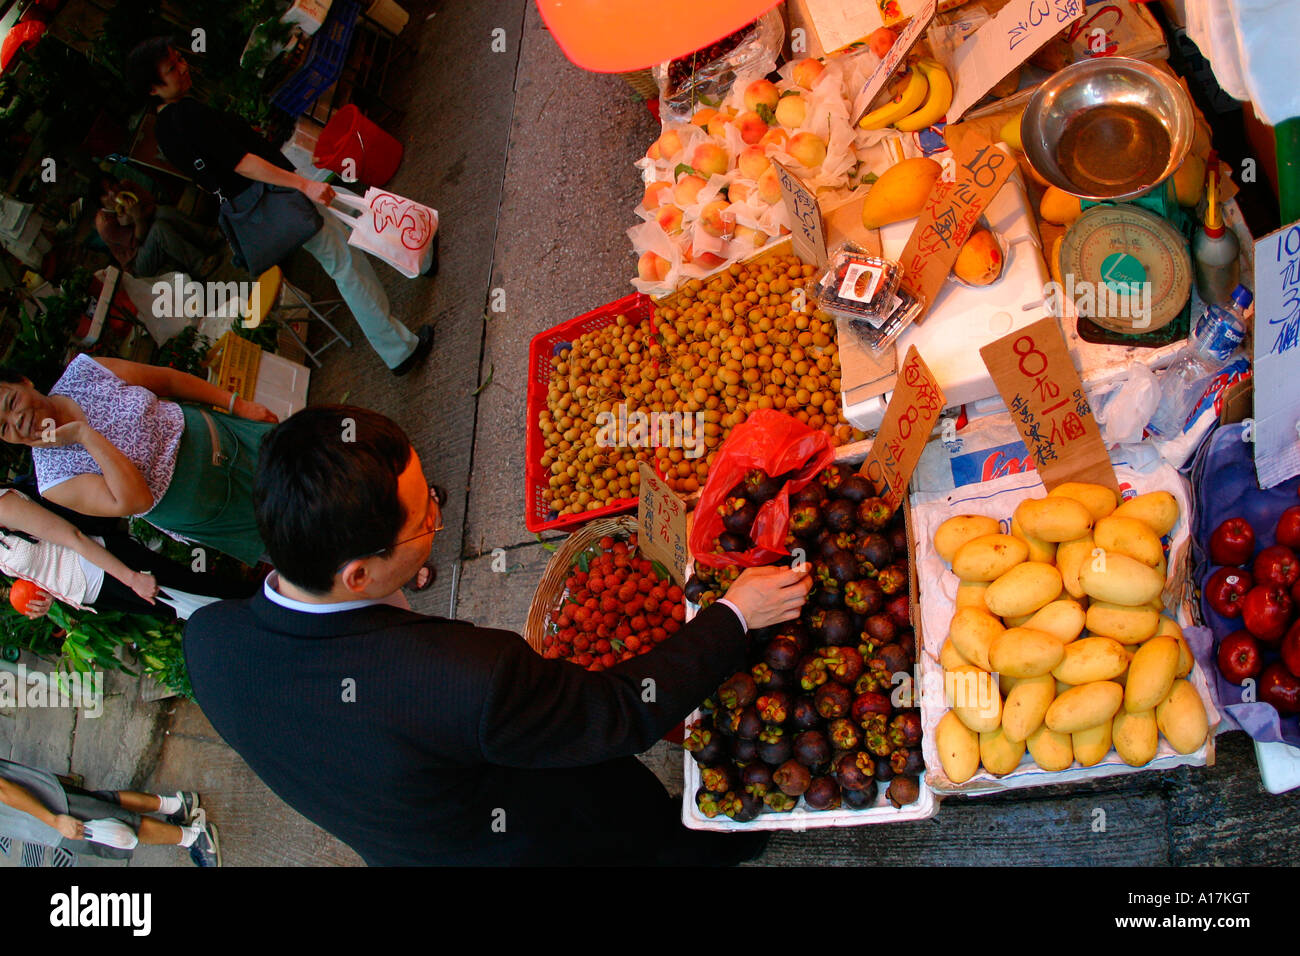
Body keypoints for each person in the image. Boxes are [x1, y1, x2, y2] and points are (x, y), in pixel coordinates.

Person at [184, 406, 812, 866]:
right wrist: (732, 616)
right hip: (548, 841)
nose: (436, 512)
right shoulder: (461, 678)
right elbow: (614, 712)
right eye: (424, 513)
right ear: (357, 574)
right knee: (657, 849)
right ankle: (725, 845)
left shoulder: (208, 643)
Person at [125, 38, 435, 378]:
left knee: (349, 232)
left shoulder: (165, 132)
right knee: (344, 264)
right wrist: (304, 184)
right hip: (277, 194)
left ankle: (419, 257)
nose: (183, 68)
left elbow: (208, 179)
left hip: (267, 206)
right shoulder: (188, 114)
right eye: (171, 69)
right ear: (153, 89)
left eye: (179, 59)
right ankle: (399, 348)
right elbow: (241, 163)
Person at [0, 354, 278, 567]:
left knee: (315, 461)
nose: (18, 421)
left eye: (11, 402)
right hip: (212, 510)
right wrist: (84, 435)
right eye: (2, 428)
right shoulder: (53, 479)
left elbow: (168, 381)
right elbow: (135, 501)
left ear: (24, 382)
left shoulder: (84, 372)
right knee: (300, 539)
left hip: (233, 439)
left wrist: (236, 404)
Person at [0, 483, 256, 621]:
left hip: (106, 567)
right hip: (93, 590)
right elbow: (44, 560)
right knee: (193, 610)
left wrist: (131, 578)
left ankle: (281, 605)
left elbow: (72, 536)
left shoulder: (3, 506)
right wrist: (46, 598)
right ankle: (273, 618)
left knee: (203, 595)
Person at [0, 758, 219, 865]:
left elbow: (3, 790)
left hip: (42, 810)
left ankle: (196, 839)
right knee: (105, 804)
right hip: (36, 801)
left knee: (117, 828)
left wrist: (53, 820)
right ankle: (179, 805)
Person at [91, 175, 219, 279]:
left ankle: (208, 236)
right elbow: (138, 240)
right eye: (106, 194)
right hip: (138, 260)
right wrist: (137, 217)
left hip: (147, 225)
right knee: (159, 229)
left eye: (112, 185)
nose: (113, 193)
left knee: (163, 212)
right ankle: (198, 264)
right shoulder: (106, 224)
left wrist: (138, 213)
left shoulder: (126, 187)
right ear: (101, 202)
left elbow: (153, 205)